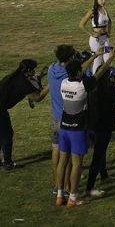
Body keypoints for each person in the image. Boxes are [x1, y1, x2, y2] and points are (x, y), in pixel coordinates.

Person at [55, 47, 115, 207]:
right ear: (78, 73)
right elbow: (99, 73)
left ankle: (60, 195)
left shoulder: (63, 83)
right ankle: (73, 198)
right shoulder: (83, 86)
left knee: (63, 162)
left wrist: (96, 55)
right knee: (77, 164)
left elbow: (80, 69)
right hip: (77, 130)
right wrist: (109, 59)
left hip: (64, 128)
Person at [0, 59, 49, 170]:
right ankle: (8, 164)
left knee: (1, 133)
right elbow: (37, 97)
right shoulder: (23, 82)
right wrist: (51, 85)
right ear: (28, 70)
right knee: (7, 134)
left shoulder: (17, 75)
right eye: (33, 69)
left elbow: (32, 86)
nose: (34, 71)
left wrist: (40, 79)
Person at [85, 64, 115, 197]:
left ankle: (104, 174)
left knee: (100, 152)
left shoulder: (91, 87)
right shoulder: (107, 88)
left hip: (91, 124)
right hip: (103, 126)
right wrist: (111, 83)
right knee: (98, 155)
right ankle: (90, 186)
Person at [48, 45, 77, 193]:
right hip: (67, 120)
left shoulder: (51, 69)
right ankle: (65, 187)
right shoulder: (68, 75)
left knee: (56, 152)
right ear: (70, 58)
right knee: (67, 158)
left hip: (55, 118)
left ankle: (56, 184)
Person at [79, 0, 112, 75]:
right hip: (96, 40)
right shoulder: (92, 11)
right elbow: (82, 24)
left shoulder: (104, 9)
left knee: (108, 58)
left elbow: (109, 22)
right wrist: (91, 34)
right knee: (97, 59)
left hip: (105, 38)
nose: (104, 1)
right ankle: (95, 80)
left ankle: (108, 79)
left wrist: (108, 32)